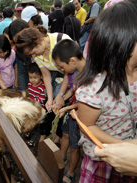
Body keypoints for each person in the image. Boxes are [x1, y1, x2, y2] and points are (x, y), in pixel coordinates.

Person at [75, 0, 137, 182]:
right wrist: (126, 146)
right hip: (106, 163)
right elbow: (88, 127)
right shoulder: (94, 88)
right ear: (130, 41)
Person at [14, 26, 72, 143]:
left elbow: (69, 72)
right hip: (57, 80)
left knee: (63, 109)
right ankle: (53, 135)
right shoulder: (37, 54)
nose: (33, 55)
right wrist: (50, 99)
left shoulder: (61, 41)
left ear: (38, 42)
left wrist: (60, 94)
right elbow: (46, 75)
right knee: (53, 106)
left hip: (71, 79)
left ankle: (61, 136)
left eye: (33, 52)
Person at [52, 39, 85, 183]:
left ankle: (71, 172)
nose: (62, 71)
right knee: (65, 133)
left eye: (62, 67)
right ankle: (62, 157)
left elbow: (84, 104)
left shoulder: (89, 77)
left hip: (80, 115)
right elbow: (73, 90)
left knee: (75, 144)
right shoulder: (77, 71)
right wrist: (62, 99)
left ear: (72, 61)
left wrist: (66, 107)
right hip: (71, 110)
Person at [7, 19, 31, 97]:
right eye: (16, 42)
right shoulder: (18, 52)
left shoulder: (39, 47)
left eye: (21, 41)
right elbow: (21, 72)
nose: (19, 45)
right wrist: (23, 92)